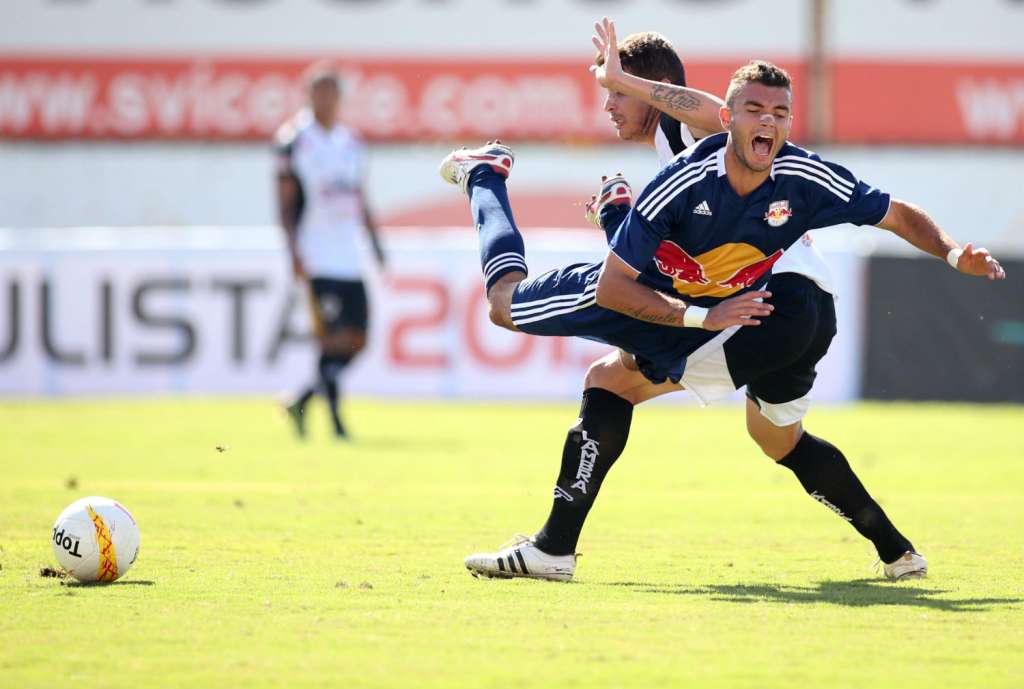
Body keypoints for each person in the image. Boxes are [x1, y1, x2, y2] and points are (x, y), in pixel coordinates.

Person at [439, 54, 1004, 582]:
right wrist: (631, 231)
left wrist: (954, 252)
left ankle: (485, 174)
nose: (608, 106)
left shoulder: (698, 140)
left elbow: (702, 118)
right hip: (783, 310)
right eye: (756, 111)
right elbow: (664, 260)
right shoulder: (690, 167)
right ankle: (899, 552)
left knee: (523, 318)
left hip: (757, 306)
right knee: (776, 438)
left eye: (612, 93)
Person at [275, 65, 386, 439]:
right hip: (317, 255)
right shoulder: (293, 139)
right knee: (332, 339)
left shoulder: (351, 142)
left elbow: (360, 197)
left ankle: (301, 400)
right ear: (308, 96)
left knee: (358, 340)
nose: (325, 99)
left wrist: (375, 243)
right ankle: (336, 423)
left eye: (331, 92)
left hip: (349, 256)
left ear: (339, 97)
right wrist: (292, 251)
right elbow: (286, 202)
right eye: (318, 92)